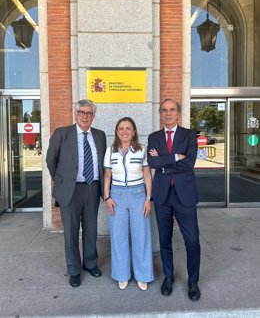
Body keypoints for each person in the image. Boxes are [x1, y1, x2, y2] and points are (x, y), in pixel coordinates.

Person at [46, 99, 106, 288]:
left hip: (92, 188)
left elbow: (103, 162)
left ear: (93, 116)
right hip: (70, 191)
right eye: (82, 112)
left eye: (89, 113)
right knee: (71, 232)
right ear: (75, 114)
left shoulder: (100, 135)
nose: (85, 116)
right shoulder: (62, 133)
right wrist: (62, 180)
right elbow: (50, 160)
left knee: (91, 229)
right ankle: (73, 270)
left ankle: (90, 264)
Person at [147, 99, 201, 301]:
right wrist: (176, 157)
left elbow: (190, 163)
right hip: (162, 195)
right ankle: (168, 277)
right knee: (164, 239)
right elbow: (152, 162)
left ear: (178, 113)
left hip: (184, 195)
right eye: (164, 110)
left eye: (172, 110)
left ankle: (193, 281)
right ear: (160, 113)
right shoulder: (154, 137)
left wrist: (165, 162)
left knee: (192, 240)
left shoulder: (189, 135)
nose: (168, 113)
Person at [103, 117, 154, 291]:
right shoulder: (110, 151)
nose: (124, 132)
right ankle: (122, 274)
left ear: (134, 132)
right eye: (121, 129)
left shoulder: (142, 150)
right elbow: (107, 176)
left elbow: (147, 175)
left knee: (142, 237)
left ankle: (143, 275)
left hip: (138, 195)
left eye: (128, 128)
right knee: (119, 237)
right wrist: (107, 197)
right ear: (117, 132)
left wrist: (148, 199)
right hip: (116, 196)